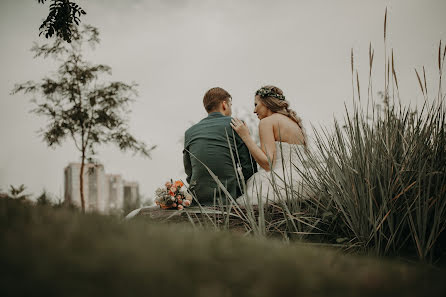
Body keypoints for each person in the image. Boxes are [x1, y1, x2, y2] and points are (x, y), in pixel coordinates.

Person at [230, 85, 308, 205]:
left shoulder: (267, 122)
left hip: (280, 183)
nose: (254, 111)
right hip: (303, 181)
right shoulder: (294, 123)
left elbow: (268, 164)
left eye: (256, 104)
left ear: (266, 103)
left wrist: (245, 136)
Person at [183, 87, 257, 205]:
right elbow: (248, 166)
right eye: (230, 104)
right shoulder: (236, 124)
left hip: (197, 198)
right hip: (229, 195)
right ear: (224, 104)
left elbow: (189, 171)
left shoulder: (189, 132)